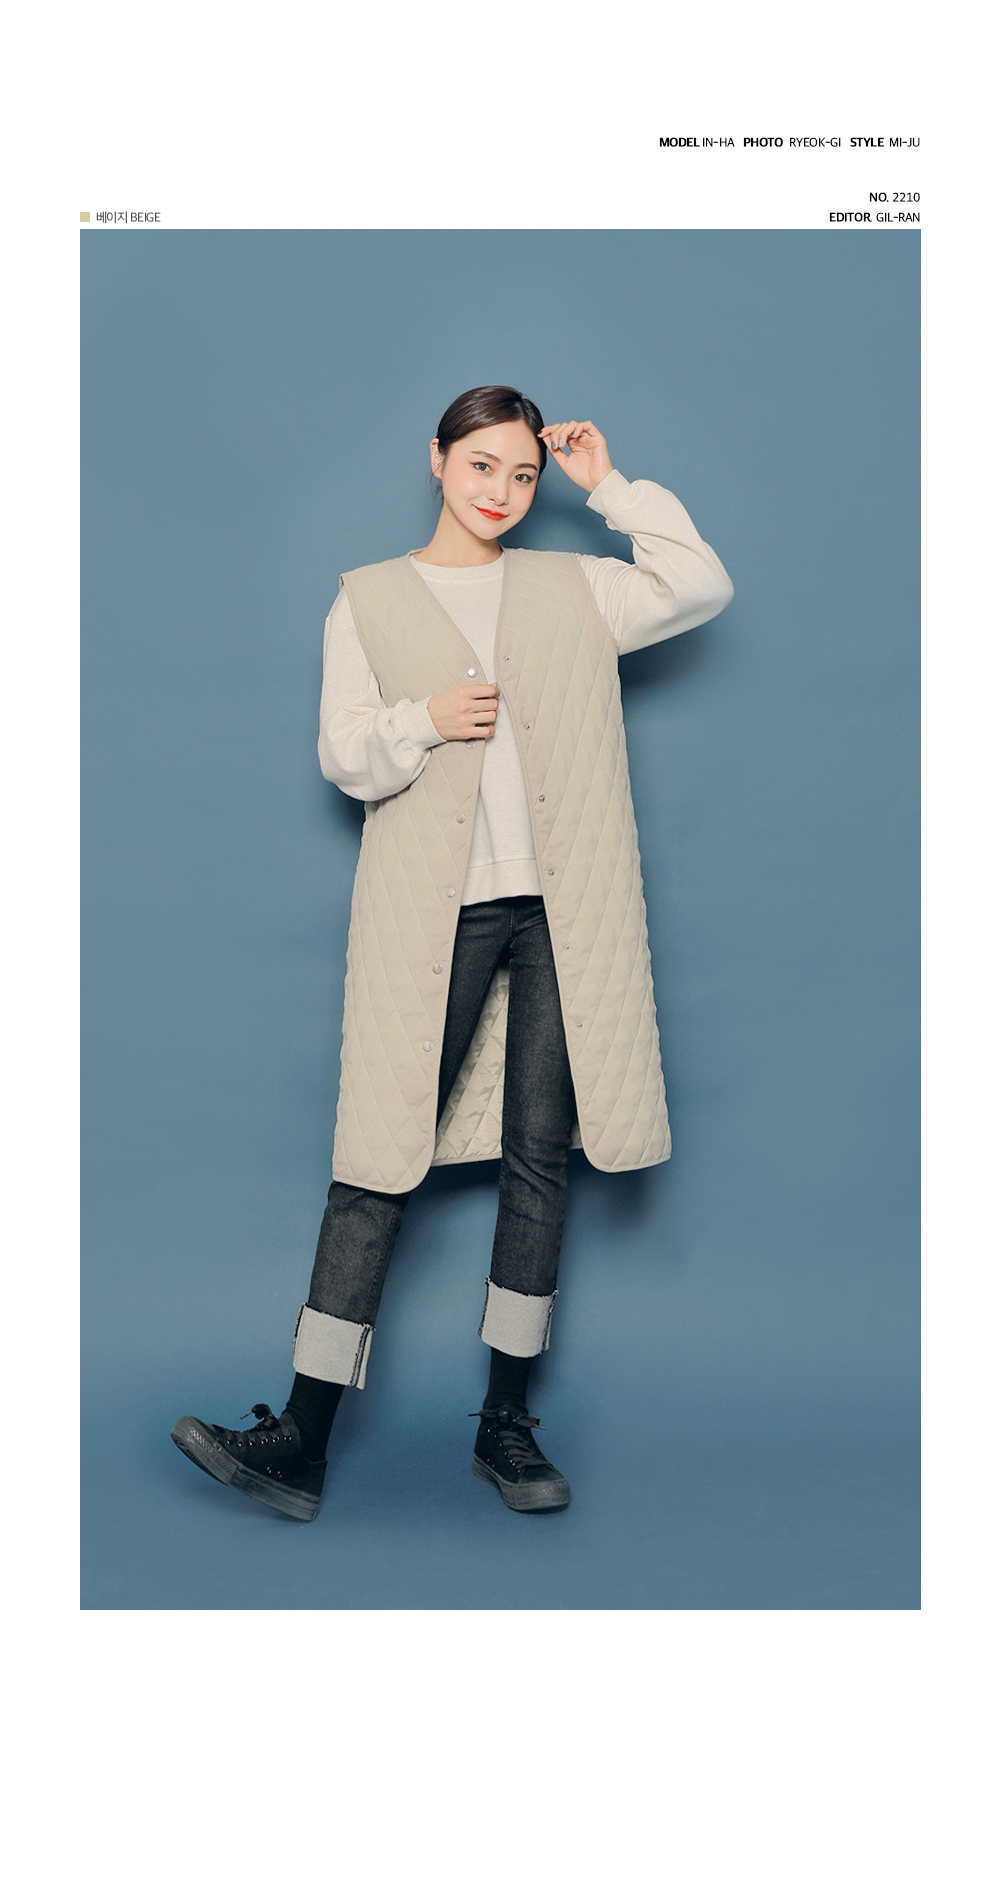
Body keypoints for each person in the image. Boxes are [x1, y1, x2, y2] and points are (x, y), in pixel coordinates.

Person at [171, 385, 734, 1522]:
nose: (503, 493)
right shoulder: (369, 598)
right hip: (442, 915)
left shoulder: (576, 585)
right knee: (379, 1156)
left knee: (540, 1159)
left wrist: (608, 487)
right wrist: (423, 719)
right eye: (483, 466)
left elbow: (700, 584)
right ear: (436, 460)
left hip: (566, 914)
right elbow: (343, 754)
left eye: (523, 475)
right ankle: (301, 1437)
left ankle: (504, 1428)